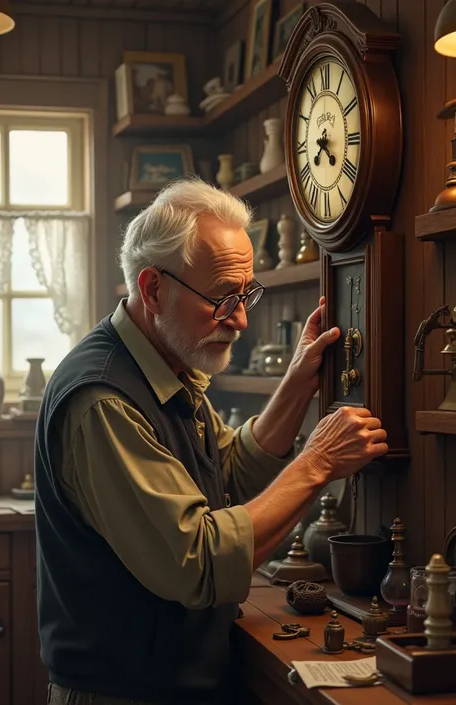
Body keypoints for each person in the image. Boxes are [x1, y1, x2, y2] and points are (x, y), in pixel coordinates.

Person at [35, 178, 388, 705]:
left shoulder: (166, 366)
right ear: (153, 289)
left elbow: (225, 473)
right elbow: (197, 561)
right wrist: (316, 463)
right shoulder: (104, 400)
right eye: (223, 299)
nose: (241, 319)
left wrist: (295, 387)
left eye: (245, 294)